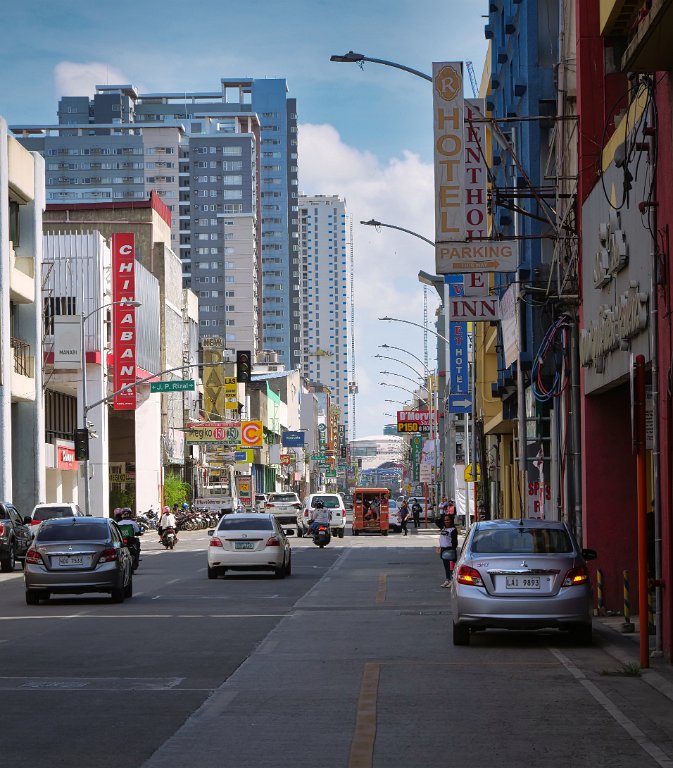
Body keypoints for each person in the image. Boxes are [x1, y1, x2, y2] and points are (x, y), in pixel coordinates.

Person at [437, 512, 458, 587]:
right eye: (445, 520)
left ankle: (452, 580)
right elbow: (437, 521)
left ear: (451, 520)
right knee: (446, 566)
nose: (447, 521)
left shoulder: (453, 530)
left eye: (448, 520)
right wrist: (443, 515)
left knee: (451, 567)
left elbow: (455, 542)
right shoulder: (443, 528)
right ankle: (447, 580)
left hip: (450, 550)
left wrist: (452, 549)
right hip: (443, 550)